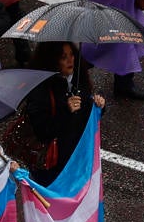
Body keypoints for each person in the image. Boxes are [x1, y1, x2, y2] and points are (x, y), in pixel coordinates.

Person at [20, 42, 105, 188]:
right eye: (63, 57)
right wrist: (66, 111)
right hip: (52, 166)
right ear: (52, 60)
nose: (70, 60)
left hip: (75, 159)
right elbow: (43, 131)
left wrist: (98, 106)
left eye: (72, 55)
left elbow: (84, 115)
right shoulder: (41, 90)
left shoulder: (79, 80)